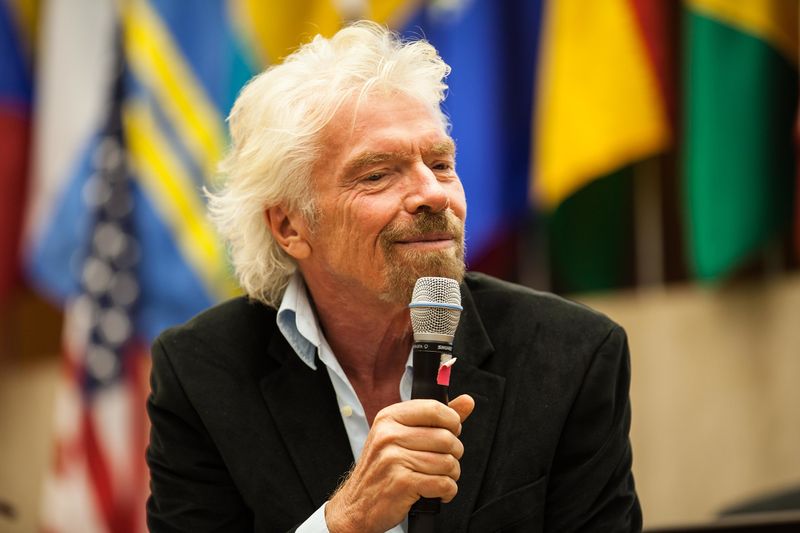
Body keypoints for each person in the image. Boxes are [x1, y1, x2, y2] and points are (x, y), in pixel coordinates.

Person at [146, 21, 642, 533]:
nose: (433, 194)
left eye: (441, 164)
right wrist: (346, 521)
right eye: (377, 174)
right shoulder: (201, 374)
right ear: (290, 225)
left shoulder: (573, 355)